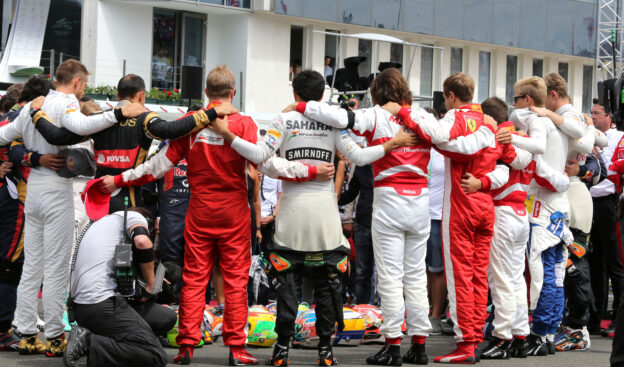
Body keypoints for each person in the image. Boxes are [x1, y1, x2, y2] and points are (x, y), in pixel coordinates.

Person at [101, 65, 331, 366]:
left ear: (206, 93)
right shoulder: (245, 124)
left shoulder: (191, 124)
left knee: (194, 278)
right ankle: (236, 349)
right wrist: (310, 171)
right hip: (234, 212)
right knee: (236, 280)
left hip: (199, 212)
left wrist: (118, 180)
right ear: (233, 92)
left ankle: (186, 347)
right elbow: (269, 166)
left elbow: (156, 166)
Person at [208, 69, 417, 366]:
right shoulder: (332, 123)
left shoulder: (283, 120)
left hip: (291, 214)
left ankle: (281, 352)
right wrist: (390, 145)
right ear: (321, 96)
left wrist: (229, 135)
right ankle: (325, 353)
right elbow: (357, 158)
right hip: (325, 215)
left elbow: (259, 156)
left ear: (295, 95)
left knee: (287, 287)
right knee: (327, 286)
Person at [290, 70, 498, 365]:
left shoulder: (375, 115)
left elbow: (339, 118)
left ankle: (392, 346)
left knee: (389, 276)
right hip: (420, 201)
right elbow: (448, 138)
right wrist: (486, 125)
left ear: (377, 92)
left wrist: (299, 105)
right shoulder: (424, 116)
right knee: (415, 275)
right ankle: (420, 344)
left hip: (389, 198)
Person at [0, 60, 145, 357]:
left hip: (34, 195)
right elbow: (81, 126)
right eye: (84, 86)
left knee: (31, 267)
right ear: (78, 83)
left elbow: (3, 135)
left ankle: (26, 332)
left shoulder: (33, 106)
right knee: (56, 269)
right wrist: (119, 112)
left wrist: (29, 157)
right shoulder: (65, 103)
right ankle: (54, 336)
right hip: (57, 194)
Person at [32, 73, 236, 213]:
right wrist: (210, 113)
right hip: (130, 199)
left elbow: (57, 137)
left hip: (98, 198)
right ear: (141, 96)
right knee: (130, 257)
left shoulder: (99, 119)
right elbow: (171, 131)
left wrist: (36, 113)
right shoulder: (145, 118)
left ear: (118, 95)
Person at [477, 97, 569, 359]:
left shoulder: (501, 139)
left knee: (501, 281)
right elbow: (551, 177)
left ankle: (502, 338)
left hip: (502, 212)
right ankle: (518, 336)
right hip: (520, 213)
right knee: (516, 280)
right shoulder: (526, 141)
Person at [499, 76, 575, 356]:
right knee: (554, 274)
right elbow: (587, 138)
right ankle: (549, 333)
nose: (514, 104)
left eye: (517, 98)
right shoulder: (560, 123)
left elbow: (539, 156)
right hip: (556, 203)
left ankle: (541, 333)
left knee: (541, 273)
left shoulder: (538, 122)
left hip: (545, 206)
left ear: (527, 100)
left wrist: (513, 136)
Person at [535, 73, 607, 351]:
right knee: (560, 265)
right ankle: (567, 323)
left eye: (545, 100)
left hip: (573, 197)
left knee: (574, 264)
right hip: (563, 195)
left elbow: (592, 143)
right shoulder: (568, 118)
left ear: (553, 95)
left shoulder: (569, 118)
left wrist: (583, 129)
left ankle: (578, 327)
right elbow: (595, 141)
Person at [63, 191, 176, 367]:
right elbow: (142, 243)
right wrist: (151, 283)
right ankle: (90, 342)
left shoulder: (104, 225)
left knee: (165, 317)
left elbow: (120, 278)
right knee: (155, 356)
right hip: (101, 303)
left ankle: (123, 341)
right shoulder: (134, 217)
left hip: (83, 308)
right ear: (148, 223)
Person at [0, 76, 62, 351]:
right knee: (10, 265)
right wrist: (36, 159)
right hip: (16, 197)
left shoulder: (17, 115)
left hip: (21, 196)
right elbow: (14, 148)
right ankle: (3, 331)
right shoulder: (27, 115)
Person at [588, 102, 624, 336]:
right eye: (591, 113)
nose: (593, 117)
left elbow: (611, 170)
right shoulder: (589, 135)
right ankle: (595, 315)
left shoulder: (619, 137)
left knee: (615, 263)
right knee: (594, 263)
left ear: (610, 117)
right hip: (590, 203)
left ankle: (618, 317)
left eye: (597, 114)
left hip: (610, 204)